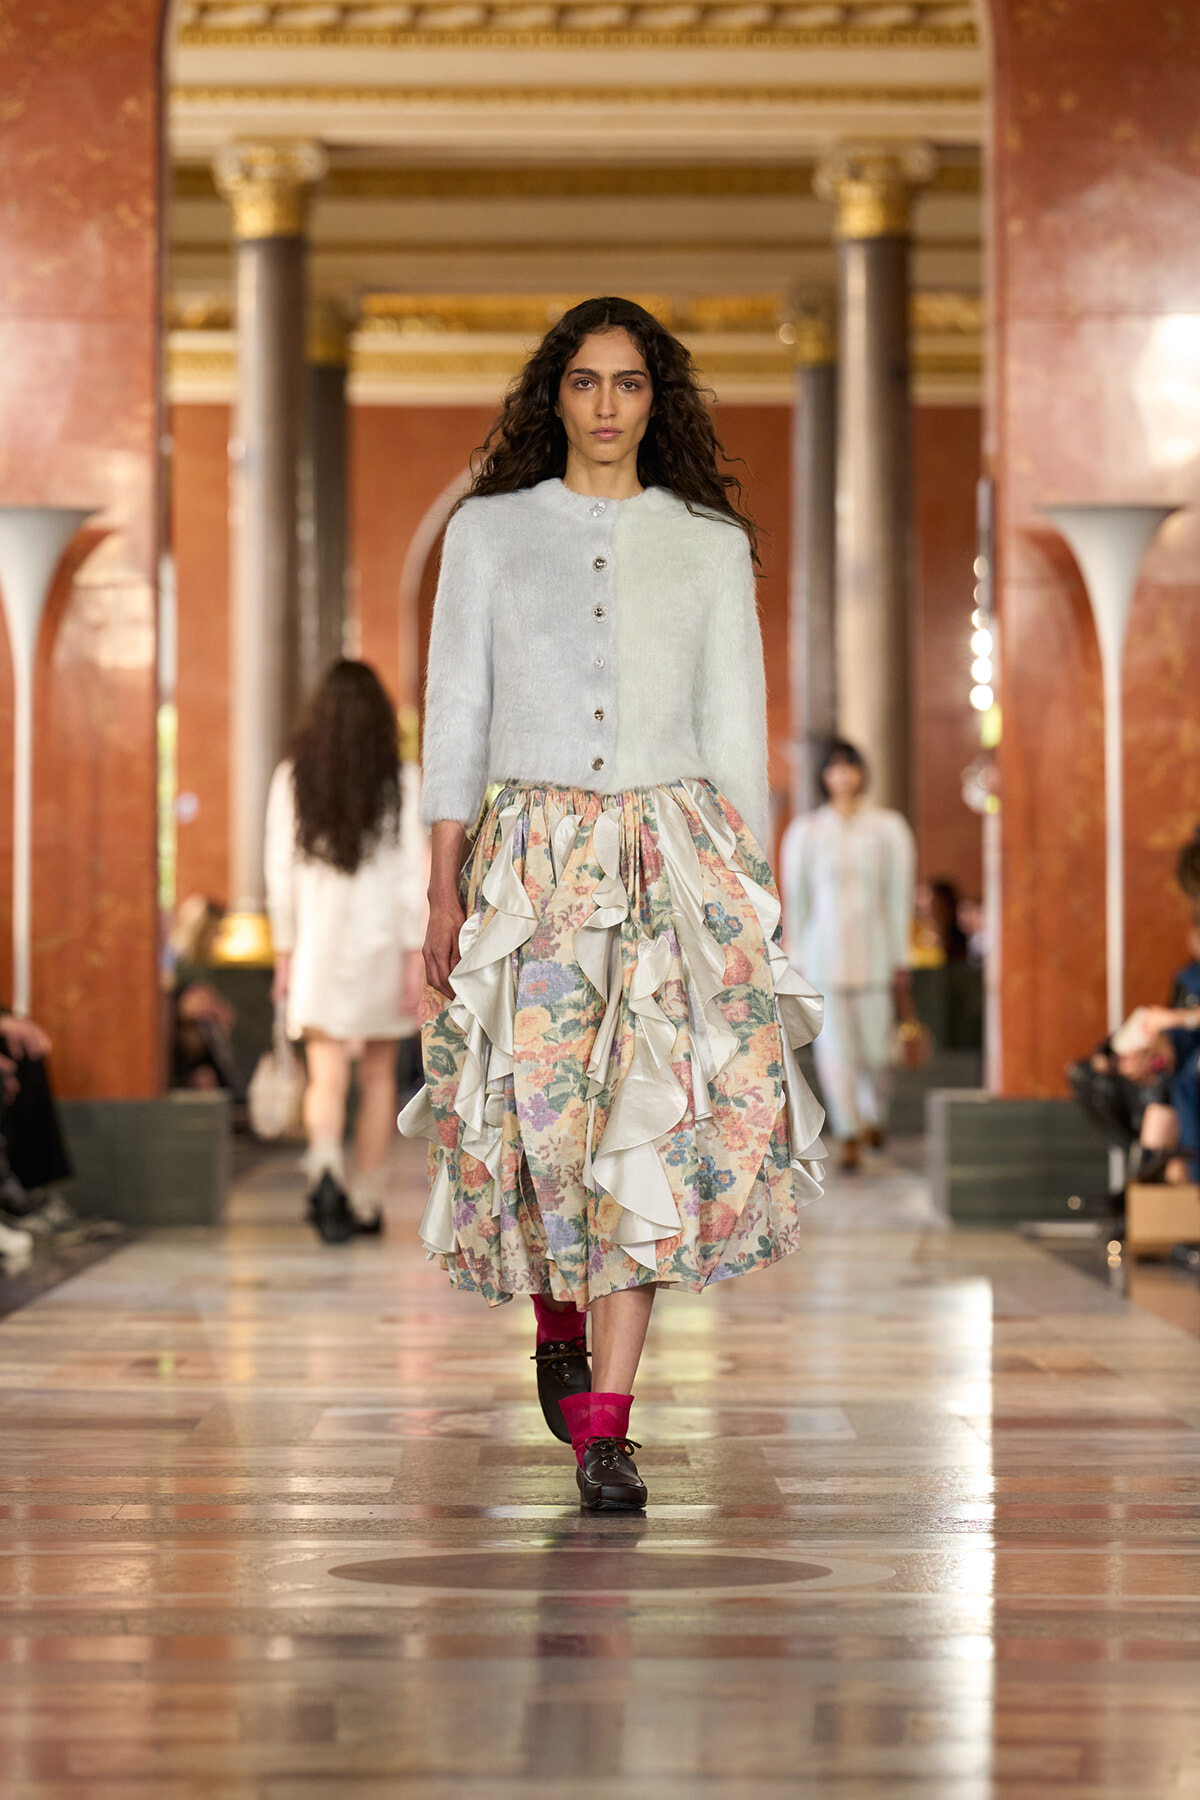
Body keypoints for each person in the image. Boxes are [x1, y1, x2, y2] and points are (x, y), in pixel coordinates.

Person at [400, 295, 826, 1513]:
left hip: (668, 855)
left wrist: (754, 896)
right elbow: (455, 718)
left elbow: (736, 730)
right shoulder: (488, 535)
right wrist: (442, 885)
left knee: (645, 1126)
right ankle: (555, 1318)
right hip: (529, 861)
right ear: (555, 397)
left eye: (627, 384)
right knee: (545, 1131)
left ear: (657, 400)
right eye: (583, 383)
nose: (603, 406)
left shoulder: (707, 543)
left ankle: (607, 1429)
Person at [266, 660, 426, 1244]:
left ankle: (326, 1167)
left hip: (318, 944)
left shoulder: (293, 779)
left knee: (326, 1074)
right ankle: (366, 1197)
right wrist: (416, 953)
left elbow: (278, 873)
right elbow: (416, 874)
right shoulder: (402, 781)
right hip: (383, 943)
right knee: (381, 1076)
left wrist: (284, 955)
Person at [779, 739, 918, 1171]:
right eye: (835, 768)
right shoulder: (806, 831)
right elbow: (797, 897)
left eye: (851, 767)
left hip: (875, 954)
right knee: (836, 1052)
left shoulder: (888, 828)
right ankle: (849, 1131)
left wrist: (901, 953)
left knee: (877, 1050)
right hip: (823, 958)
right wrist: (794, 952)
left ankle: (873, 1115)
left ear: (862, 773)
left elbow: (899, 896)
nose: (843, 776)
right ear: (824, 776)